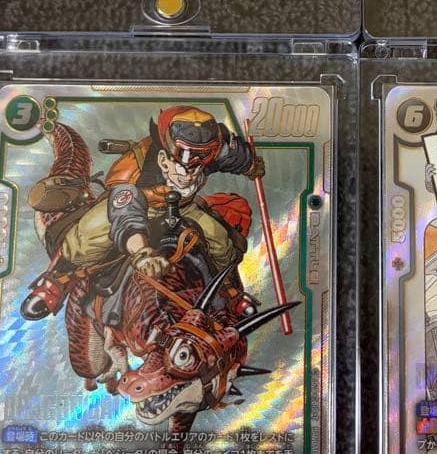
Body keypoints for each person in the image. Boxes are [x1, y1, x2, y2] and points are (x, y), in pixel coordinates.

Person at [21, 106, 264, 321]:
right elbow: (127, 214)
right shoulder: (132, 170)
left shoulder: (212, 152)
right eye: (186, 157)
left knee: (220, 241)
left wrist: (251, 165)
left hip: (183, 207)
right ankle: (56, 281)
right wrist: (143, 254)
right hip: (130, 206)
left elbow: (236, 156)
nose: (193, 170)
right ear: (164, 158)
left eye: (203, 157)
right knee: (83, 242)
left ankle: (230, 292)